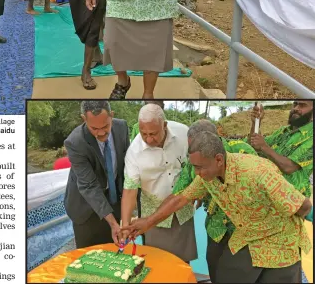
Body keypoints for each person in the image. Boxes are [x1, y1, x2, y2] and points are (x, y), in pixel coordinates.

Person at [123, 131, 312, 283]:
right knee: (225, 276)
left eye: (200, 167)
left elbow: (304, 206)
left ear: (219, 159)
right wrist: (147, 222)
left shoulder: (258, 173)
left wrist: (281, 227)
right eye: (194, 167)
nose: (197, 173)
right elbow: (180, 198)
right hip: (246, 237)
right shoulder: (207, 177)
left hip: (280, 245)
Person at [171, 120, 257, 283]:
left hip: (245, 231)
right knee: (215, 270)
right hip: (216, 229)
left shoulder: (242, 152)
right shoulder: (194, 160)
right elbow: (179, 195)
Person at [121, 104, 196, 263]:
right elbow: (130, 191)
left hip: (183, 210)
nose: (149, 139)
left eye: (153, 134)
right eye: (144, 134)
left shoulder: (184, 133)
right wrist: (126, 226)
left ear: (165, 125)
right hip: (154, 216)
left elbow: (195, 163)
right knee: (157, 263)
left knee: (182, 263)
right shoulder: (134, 153)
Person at [63, 100, 130, 248]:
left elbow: (127, 170)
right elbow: (89, 186)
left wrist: (126, 218)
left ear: (111, 116)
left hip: (114, 202)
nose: (101, 133)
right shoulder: (75, 142)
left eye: (105, 126)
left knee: (115, 253)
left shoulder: (122, 128)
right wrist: (113, 223)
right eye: (94, 128)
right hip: (85, 208)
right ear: (84, 119)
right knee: (88, 259)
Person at [249, 100, 313, 197]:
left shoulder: (311, 137)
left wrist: (264, 146)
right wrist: (256, 123)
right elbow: (256, 146)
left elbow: (289, 167)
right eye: (295, 104)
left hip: (291, 198)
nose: (296, 108)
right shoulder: (283, 131)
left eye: (302, 105)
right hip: (266, 191)